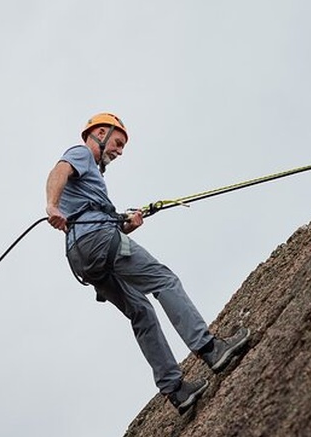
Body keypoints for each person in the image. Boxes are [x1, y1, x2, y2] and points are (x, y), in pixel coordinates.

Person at [45, 112, 250, 414]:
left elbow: (92, 216)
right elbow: (59, 171)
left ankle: (176, 389)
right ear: (99, 133)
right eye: (117, 142)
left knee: (140, 311)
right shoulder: (80, 154)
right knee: (164, 280)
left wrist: (127, 226)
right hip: (98, 240)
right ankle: (211, 349)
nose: (119, 151)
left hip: (81, 255)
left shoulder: (92, 181)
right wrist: (51, 204)